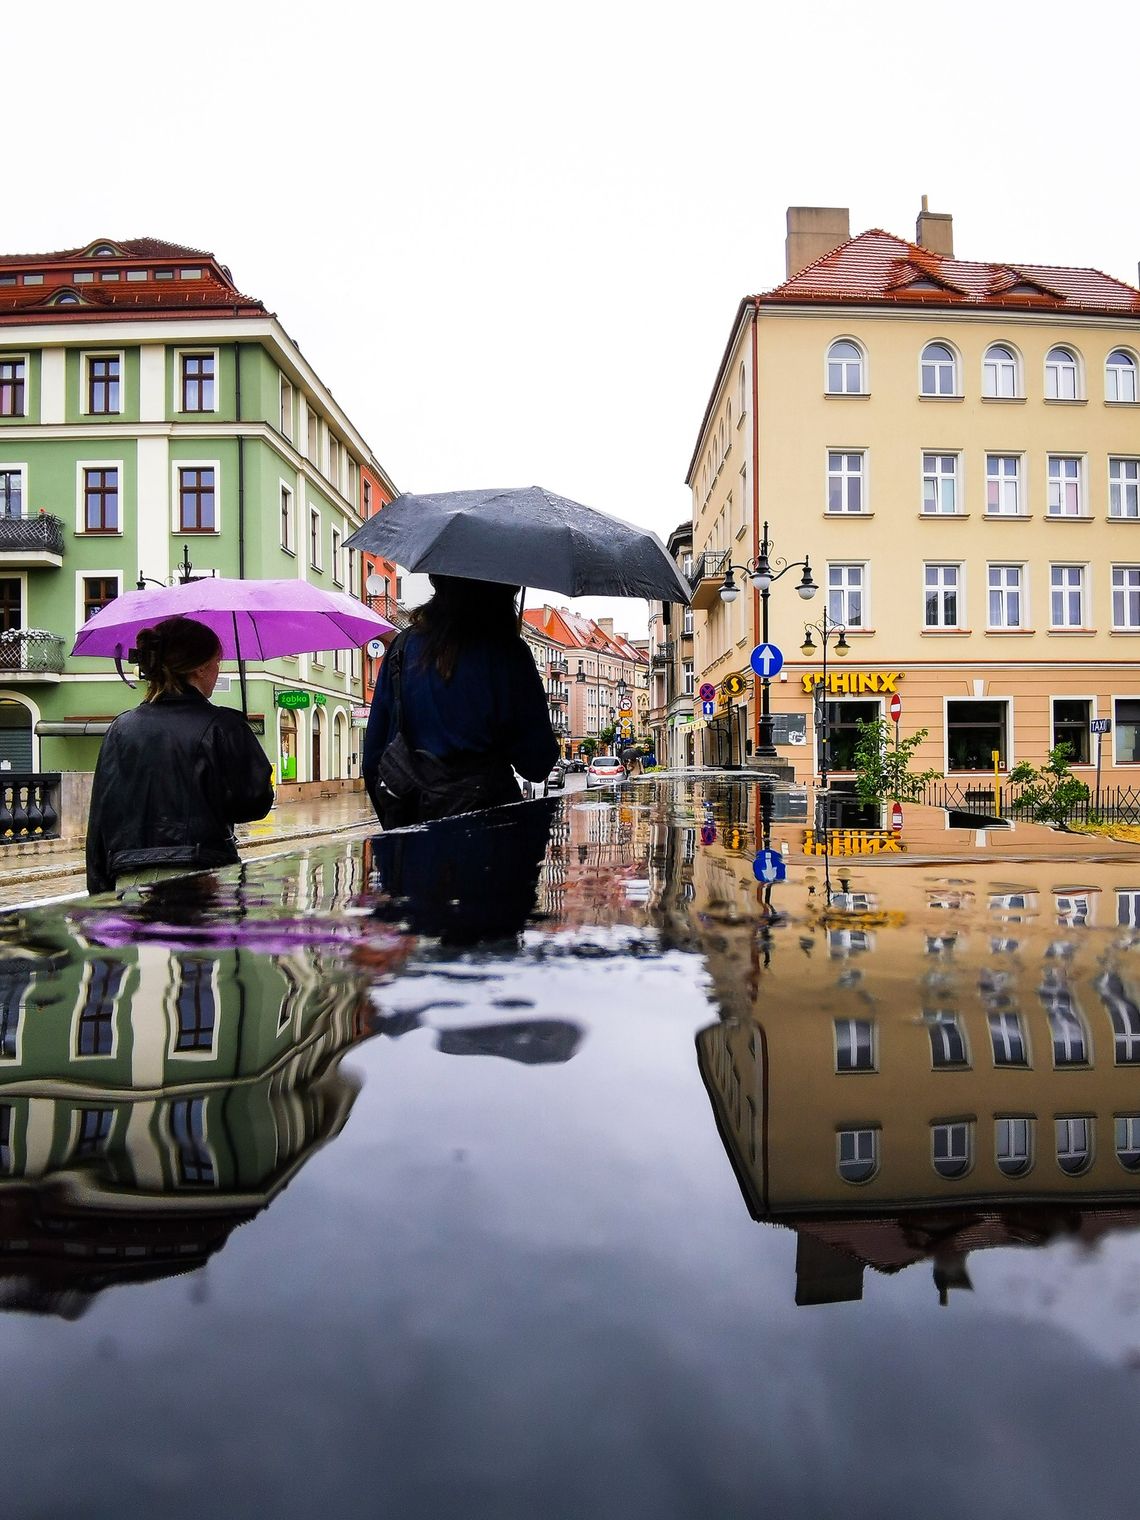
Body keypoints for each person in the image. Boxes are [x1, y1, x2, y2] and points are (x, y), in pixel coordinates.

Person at [85, 616, 274, 894]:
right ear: (199, 668)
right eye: (217, 662)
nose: (218, 672)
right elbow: (253, 803)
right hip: (201, 874)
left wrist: (99, 895)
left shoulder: (121, 728)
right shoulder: (223, 725)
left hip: (130, 881)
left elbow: (100, 820)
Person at [363, 575, 558, 826]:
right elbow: (537, 763)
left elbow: (373, 759)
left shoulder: (402, 647)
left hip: (414, 838)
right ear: (502, 591)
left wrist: (398, 829)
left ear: (438, 582)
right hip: (490, 833)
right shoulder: (507, 652)